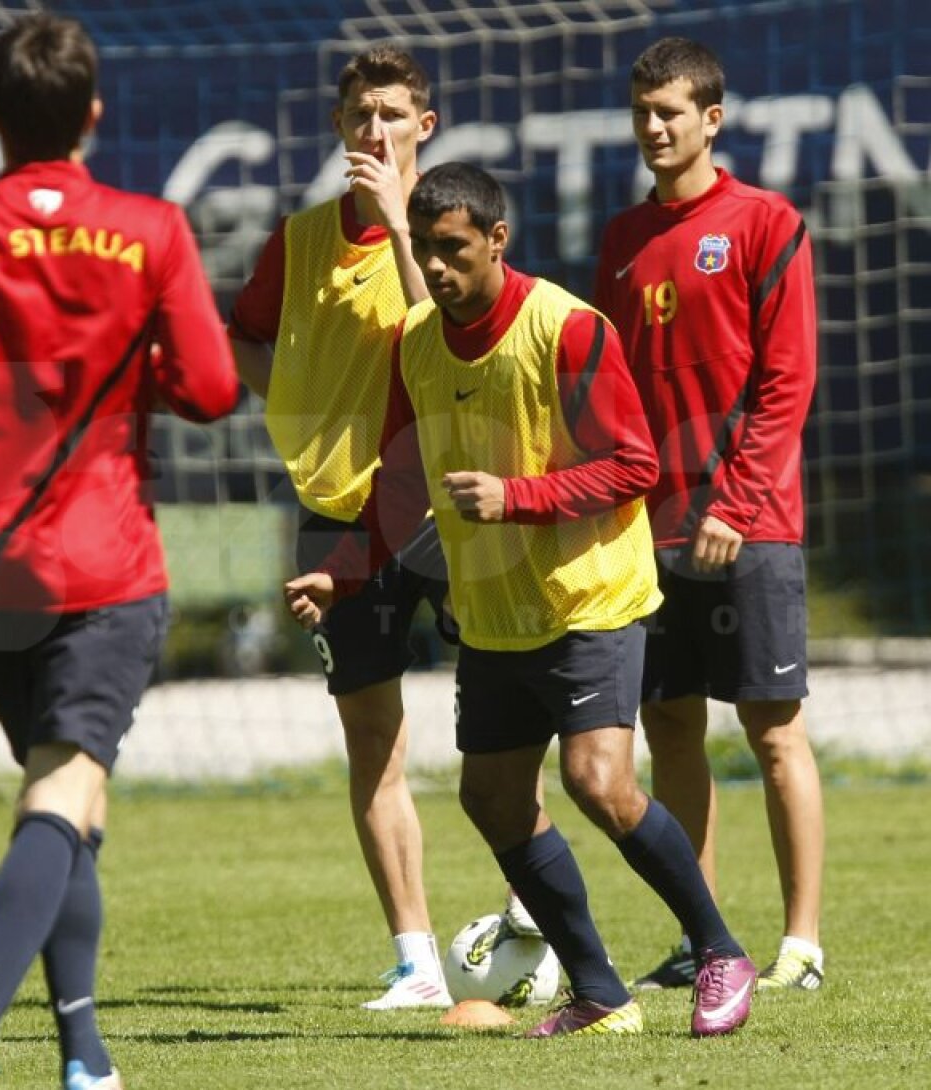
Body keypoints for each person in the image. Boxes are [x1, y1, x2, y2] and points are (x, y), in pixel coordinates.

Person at [286, 161, 757, 1037]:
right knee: (493, 798)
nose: (435, 266)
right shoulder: (418, 341)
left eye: (453, 248)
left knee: (599, 782)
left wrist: (518, 495)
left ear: (497, 240)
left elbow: (634, 465)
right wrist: (345, 572)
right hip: (497, 613)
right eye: (423, 249)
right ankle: (599, 993)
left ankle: (721, 950)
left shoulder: (567, 328)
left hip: (591, 598)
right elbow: (397, 476)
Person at [0, 14, 239, 1090]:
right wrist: (142, 381)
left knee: (67, 797)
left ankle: (87, 1058)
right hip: (108, 563)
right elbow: (214, 389)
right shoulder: (151, 229)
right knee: (62, 794)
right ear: (92, 114)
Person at [227, 45, 459, 1009]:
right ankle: (416, 960)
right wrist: (296, 398)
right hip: (333, 517)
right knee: (374, 739)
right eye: (361, 114)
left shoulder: (455, 227)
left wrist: (406, 230)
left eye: (394, 115)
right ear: (338, 126)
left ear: (425, 127)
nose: (375, 131)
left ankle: (534, 915)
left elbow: (439, 332)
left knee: (508, 722)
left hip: (444, 512)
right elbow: (244, 335)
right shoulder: (301, 238)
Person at [594, 37, 824, 992]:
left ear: (712, 120)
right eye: (643, 112)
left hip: (750, 521)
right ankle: (704, 941)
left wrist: (734, 500)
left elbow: (787, 381)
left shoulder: (768, 224)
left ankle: (802, 946)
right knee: (672, 729)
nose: (654, 128)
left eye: (671, 113)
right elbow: (607, 388)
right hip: (649, 530)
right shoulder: (619, 240)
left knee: (772, 731)